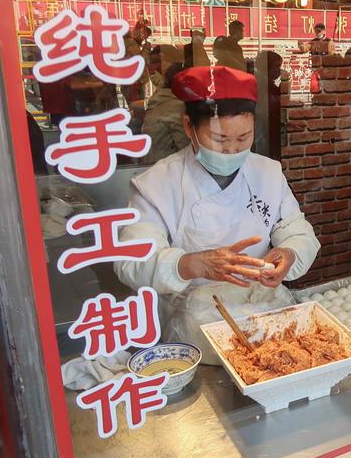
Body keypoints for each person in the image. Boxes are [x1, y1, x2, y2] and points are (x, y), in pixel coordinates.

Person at [114, 66, 320, 364]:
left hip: (264, 320)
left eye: (243, 138)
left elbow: (297, 230)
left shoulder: (267, 172)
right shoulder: (158, 184)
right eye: (220, 140)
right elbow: (130, 261)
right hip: (192, 331)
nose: (232, 151)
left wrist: (289, 253)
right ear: (189, 128)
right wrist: (189, 264)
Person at [141, 62, 189, 164]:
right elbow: (186, 147)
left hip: (150, 162)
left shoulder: (160, 99)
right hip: (164, 166)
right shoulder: (176, 106)